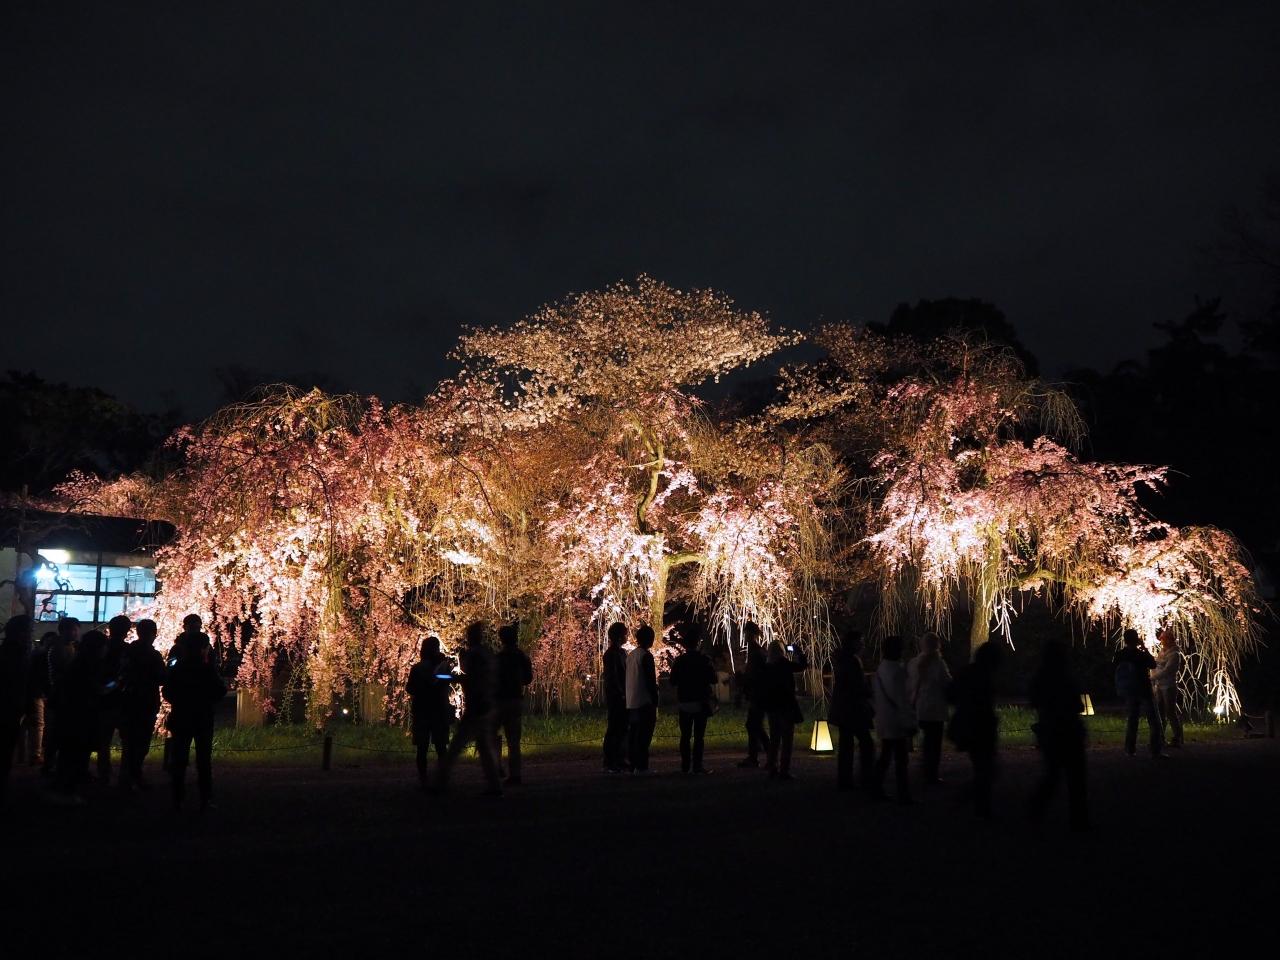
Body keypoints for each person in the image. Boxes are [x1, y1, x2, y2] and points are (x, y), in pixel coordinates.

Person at [1028, 640, 1090, 831]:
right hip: (1069, 731)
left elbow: (1034, 701)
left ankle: (1034, 810)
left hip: (1049, 730)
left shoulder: (1039, 677)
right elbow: (1077, 705)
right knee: (1076, 778)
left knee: (1052, 774)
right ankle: (1078, 821)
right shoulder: (1067, 678)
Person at [162, 632, 226, 812]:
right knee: (203, 760)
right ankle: (205, 798)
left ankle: (177, 799)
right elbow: (220, 690)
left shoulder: (178, 668)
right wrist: (207, 700)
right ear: (203, 649)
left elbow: (167, 692)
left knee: (179, 759)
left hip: (181, 716)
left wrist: (179, 701)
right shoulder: (206, 669)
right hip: (202, 717)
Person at [438, 622, 503, 796]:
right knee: (485, 749)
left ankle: (440, 782)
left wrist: (450, 678)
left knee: (456, 747)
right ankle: (495, 786)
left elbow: (472, 679)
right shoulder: (487, 654)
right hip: (487, 705)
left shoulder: (475, 655)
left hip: (476, 707)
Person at [949, 641, 1002, 818]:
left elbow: (950, 694)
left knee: (983, 768)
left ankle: (979, 806)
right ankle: (976, 805)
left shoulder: (967, 672)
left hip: (971, 726)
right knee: (986, 769)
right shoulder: (984, 676)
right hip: (980, 728)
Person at [56, 629, 107, 800]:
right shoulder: (87, 666)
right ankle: (68, 789)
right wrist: (115, 684)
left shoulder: (79, 662)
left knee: (74, 752)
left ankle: (68, 786)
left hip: (74, 714)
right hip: (81, 715)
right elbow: (96, 689)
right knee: (77, 751)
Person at [118, 618, 166, 790]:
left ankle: (127, 777)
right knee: (141, 742)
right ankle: (134, 775)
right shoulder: (153, 655)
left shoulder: (127, 652)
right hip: (146, 702)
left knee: (129, 742)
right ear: (153, 634)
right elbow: (162, 678)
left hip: (128, 701)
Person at [829, 628, 874, 791]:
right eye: (860, 641)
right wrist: (870, 691)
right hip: (853, 709)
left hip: (843, 708)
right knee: (866, 742)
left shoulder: (842, 659)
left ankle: (845, 779)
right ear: (853, 643)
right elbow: (857, 685)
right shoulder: (852, 661)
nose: (863, 645)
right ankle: (866, 777)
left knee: (846, 744)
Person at [406, 636, 453, 789]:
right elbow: (447, 681)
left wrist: (422, 689)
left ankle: (423, 779)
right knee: (441, 747)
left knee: (422, 748)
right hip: (439, 710)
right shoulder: (443, 667)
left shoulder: (417, 668)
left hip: (422, 710)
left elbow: (409, 688)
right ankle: (443, 779)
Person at [669, 625, 717, 775]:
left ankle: (685, 766)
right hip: (701, 702)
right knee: (699, 736)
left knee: (685, 736)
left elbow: (672, 681)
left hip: (684, 702)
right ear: (698, 643)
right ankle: (697, 766)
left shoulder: (679, 661)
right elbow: (714, 679)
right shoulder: (705, 660)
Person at [873, 636, 914, 803]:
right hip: (896, 721)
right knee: (900, 759)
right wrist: (909, 719)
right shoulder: (897, 670)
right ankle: (903, 794)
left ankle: (876, 788)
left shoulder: (881, 668)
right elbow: (901, 698)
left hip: (884, 718)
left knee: (886, 755)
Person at [92, 614, 132, 784]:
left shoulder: (102, 648)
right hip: (123, 699)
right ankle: (124, 776)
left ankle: (104, 774)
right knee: (127, 741)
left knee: (104, 741)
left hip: (105, 700)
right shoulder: (128, 650)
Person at [907, 632, 951, 784]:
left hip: (921, 707)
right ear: (937, 645)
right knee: (934, 743)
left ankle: (924, 769)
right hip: (935, 709)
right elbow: (947, 683)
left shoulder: (913, 663)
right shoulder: (938, 664)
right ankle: (931, 773)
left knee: (927, 741)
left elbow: (910, 685)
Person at [1114, 629, 1164, 758]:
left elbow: (1114, 669)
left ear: (1125, 640)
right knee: (1154, 721)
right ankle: (1155, 750)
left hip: (1129, 690)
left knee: (1132, 720)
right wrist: (1144, 648)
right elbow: (1153, 665)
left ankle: (1130, 749)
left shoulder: (1120, 654)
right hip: (1144, 689)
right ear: (1136, 640)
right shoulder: (1140, 655)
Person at [762, 640, 808, 781]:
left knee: (774, 739)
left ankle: (772, 768)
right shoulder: (784, 664)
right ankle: (784, 770)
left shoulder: (767, 666)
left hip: (772, 707)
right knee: (787, 740)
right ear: (782, 651)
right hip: (786, 706)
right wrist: (798, 652)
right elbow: (802, 666)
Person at [495, 622, 533, 785]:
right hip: (516, 699)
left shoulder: (499, 658)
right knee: (514, 741)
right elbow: (528, 678)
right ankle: (515, 774)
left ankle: (497, 766)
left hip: (500, 700)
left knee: (492, 734)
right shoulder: (521, 656)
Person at [1, 616, 33, 800]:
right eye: (28, 631)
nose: (30, 634)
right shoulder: (16, 654)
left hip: (11, 706)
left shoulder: (10, 650)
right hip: (10, 706)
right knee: (6, 746)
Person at [42, 617, 80, 777]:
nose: (76, 633)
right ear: (63, 631)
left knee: (57, 732)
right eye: (73, 630)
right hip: (60, 694)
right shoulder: (58, 648)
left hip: (62, 694)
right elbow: (64, 671)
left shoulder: (67, 646)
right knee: (56, 732)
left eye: (76, 630)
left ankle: (51, 765)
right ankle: (50, 765)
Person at [736, 623, 772, 768]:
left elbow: (755, 675)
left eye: (748, 633)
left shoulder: (756, 652)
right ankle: (762, 755)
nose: (746, 636)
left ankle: (761, 756)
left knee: (753, 725)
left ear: (753, 634)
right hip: (757, 694)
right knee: (754, 725)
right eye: (746, 633)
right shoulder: (756, 651)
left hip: (758, 695)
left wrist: (743, 679)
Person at [625, 625, 659, 774]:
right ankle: (642, 766)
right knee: (645, 736)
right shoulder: (646, 656)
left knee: (634, 735)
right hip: (644, 701)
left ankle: (633, 765)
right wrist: (655, 698)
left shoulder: (631, 655)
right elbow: (650, 680)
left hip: (631, 701)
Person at [601, 622, 629, 773]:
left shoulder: (622, 653)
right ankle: (610, 760)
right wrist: (620, 693)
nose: (627, 637)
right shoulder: (611, 654)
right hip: (616, 697)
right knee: (614, 728)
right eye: (625, 634)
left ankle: (620, 758)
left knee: (623, 728)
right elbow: (612, 677)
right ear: (619, 636)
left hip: (623, 695)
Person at [22, 631, 53, 767]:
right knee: (38, 723)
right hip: (36, 693)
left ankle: (24, 754)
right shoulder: (43, 656)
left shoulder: (35, 654)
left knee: (30, 724)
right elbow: (43, 677)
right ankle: (35, 755)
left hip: (31, 692)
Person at [1152, 628, 1184, 749]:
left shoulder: (1174, 654)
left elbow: (1168, 670)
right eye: (1161, 639)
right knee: (1160, 713)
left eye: (1163, 639)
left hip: (1169, 686)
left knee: (1170, 712)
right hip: (1160, 685)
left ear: (1169, 640)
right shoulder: (1162, 652)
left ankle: (1177, 737)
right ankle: (1161, 737)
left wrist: (1153, 677)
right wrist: (1154, 677)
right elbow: (1156, 666)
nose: (1161, 641)